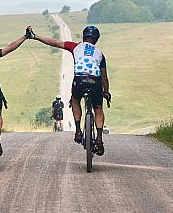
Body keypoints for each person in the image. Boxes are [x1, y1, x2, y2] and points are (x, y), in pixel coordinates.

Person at [26, 25, 110, 155]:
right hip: (95, 82)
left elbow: (54, 42)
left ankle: (77, 131)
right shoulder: (100, 54)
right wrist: (106, 91)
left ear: (83, 37)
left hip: (79, 80)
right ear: (96, 39)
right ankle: (99, 138)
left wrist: (35, 36)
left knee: (75, 100)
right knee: (98, 108)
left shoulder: (75, 46)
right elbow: (104, 76)